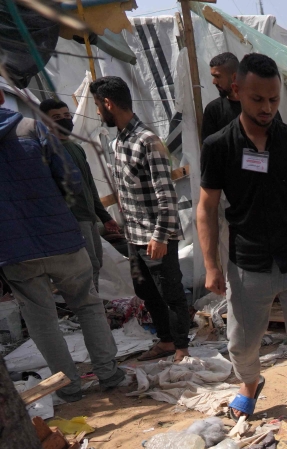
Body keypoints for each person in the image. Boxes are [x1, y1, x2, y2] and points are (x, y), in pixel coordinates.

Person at [197, 54, 287, 449]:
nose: (266, 108)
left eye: (274, 100)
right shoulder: (218, 146)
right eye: (257, 99)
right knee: (242, 345)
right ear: (236, 91)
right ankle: (251, 382)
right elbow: (206, 208)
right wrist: (211, 264)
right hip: (249, 264)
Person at [0, 89, 124, 401]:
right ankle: (109, 373)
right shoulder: (31, 128)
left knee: (42, 321)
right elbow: (69, 179)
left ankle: (68, 387)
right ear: (1, 99)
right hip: (61, 239)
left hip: (14, 252)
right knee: (87, 304)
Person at [90, 76, 191, 363]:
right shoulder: (119, 140)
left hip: (156, 236)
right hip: (134, 236)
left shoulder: (148, 141)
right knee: (146, 291)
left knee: (170, 293)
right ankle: (166, 341)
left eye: (98, 106)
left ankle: (182, 348)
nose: (98, 112)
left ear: (108, 103)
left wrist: (160, 236)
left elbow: (166, 193)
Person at [39, 97, 119, 291]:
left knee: (96, 262)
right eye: (57, 117)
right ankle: (90, 309)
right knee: (87, 266)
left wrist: (104, 216)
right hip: (72, 218)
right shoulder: (47, 151)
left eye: (67, 115)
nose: (64, 120)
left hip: (89, 216)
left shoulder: (76, 148)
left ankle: (96, 306)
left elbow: (89, 185)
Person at [202, 52, 241, 142]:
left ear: (234, 76)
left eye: (217, 76)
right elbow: (209, 149)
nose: (214, 82)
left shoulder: (258, 105)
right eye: (213, 76)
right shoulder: (213, 110)